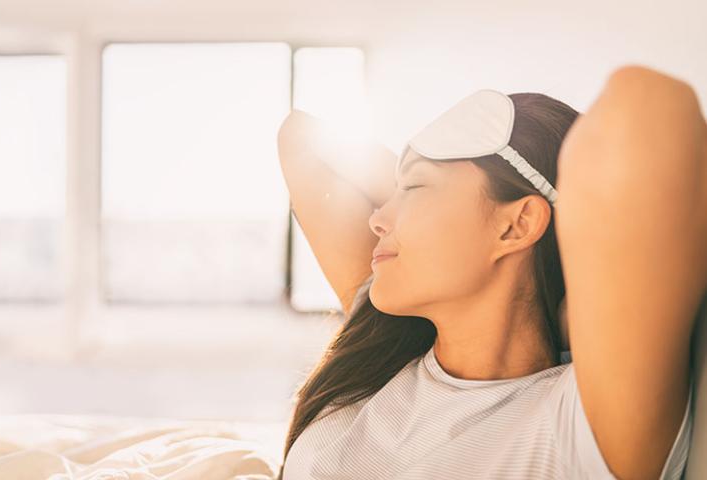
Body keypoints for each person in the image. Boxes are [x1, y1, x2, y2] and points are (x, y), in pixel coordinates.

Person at [275, 65, 706, 479]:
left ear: (516, 225)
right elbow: (301, 138)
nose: (377, 219)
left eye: (414, 189)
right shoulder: (381, 343)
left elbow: (647, 103)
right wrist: (420, 169)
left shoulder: (573, 427)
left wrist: (577, 306)